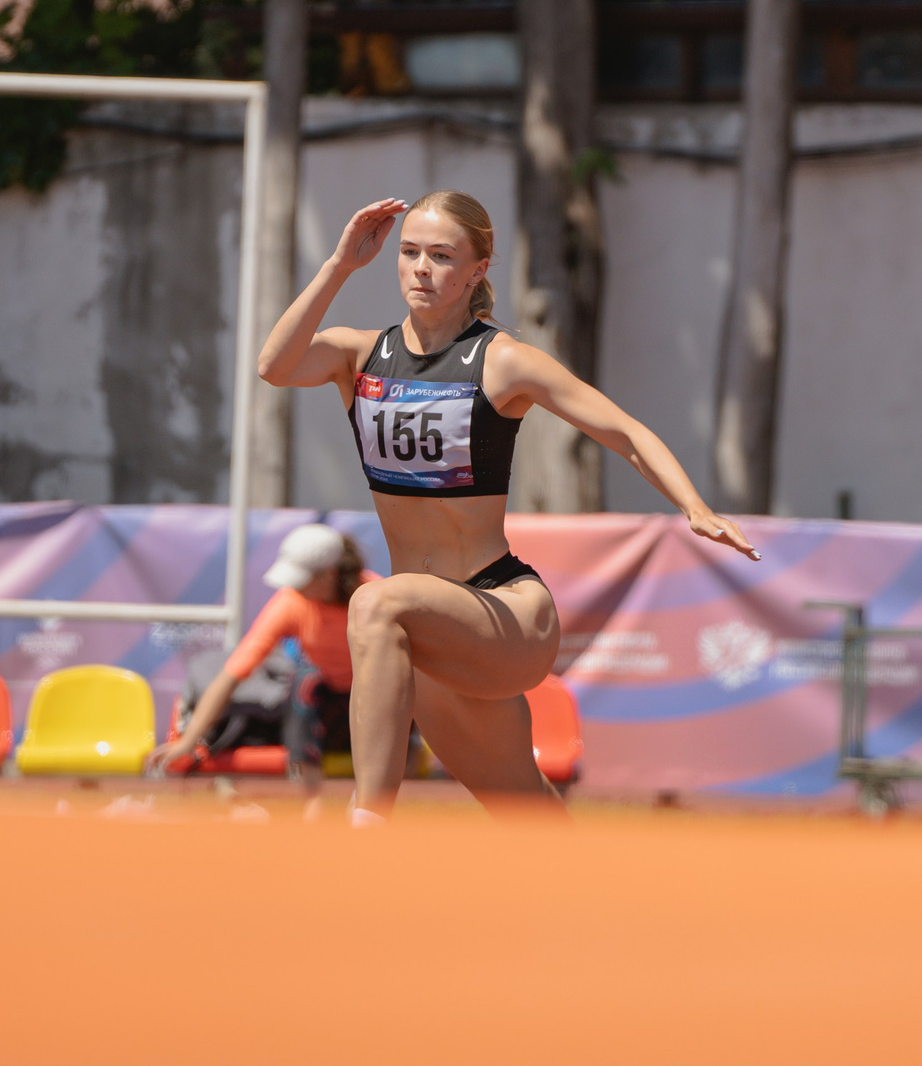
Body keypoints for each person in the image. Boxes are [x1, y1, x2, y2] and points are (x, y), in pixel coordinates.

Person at [259, 192, 757, 822]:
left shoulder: (503, 361)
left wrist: (696, 507)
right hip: (427, 633)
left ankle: (368, 827)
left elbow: (625, 432)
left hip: (505, 613)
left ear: (478, 269)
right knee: (525, 814)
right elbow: (274, 367)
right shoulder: (359, 355)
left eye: (442, 256)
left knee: (375, 598)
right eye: (410, 252)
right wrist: (339, 264)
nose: (420, 268)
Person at [150, 523, 372, 804]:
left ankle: (387, 797)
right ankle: (311, 803)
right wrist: (187, 740)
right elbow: (233, 672)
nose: (294, 586)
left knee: (389, 684)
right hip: (326, 715)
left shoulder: (372, 597)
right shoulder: (292, 602)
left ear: (329, 575)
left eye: (301, 579)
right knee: (305, 681)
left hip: (373, 707)